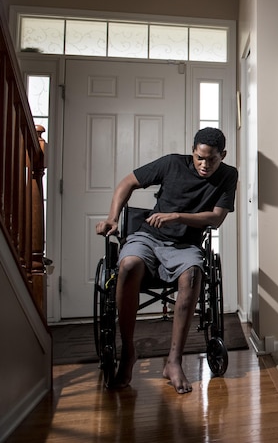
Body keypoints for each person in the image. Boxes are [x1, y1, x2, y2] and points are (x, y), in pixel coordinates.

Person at [96, 127, 238, 393]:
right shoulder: (172, 163)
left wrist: (177, 216)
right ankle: (128, 352)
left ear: (223, 156)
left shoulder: (229, 175)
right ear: (193, 151)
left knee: (193, 273)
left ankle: (174, 361)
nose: (204, 164)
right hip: (149, 237)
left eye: (212, 159)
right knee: (127, 265)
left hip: (186, 245)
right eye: (199, 157)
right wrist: (113, 218)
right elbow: (128, 182)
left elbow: (216, 218)